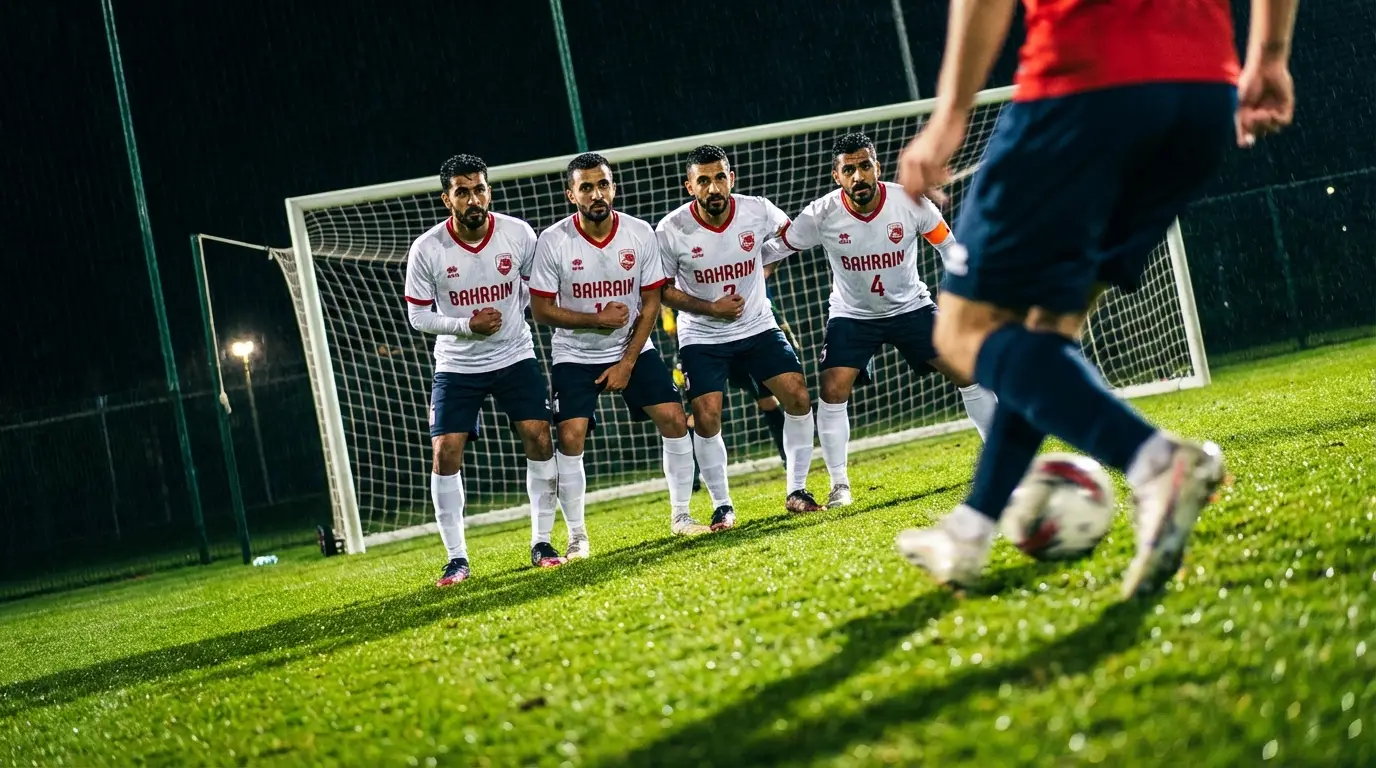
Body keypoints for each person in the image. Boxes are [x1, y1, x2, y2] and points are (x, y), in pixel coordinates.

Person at [894, 0, 1298, 597]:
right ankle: (971, 529)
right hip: (1202, 94)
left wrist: (950, 115)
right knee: (1046, 332)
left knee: (962, 334)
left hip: (1085, 87)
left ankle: (1156, 462)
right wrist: (1269, 55)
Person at [763, 133, 996, 508]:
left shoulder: (909, 202)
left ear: (877, 167)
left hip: (911, 308)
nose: (859, 176)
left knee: (968, 371)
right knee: (832, 389)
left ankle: (998, 462)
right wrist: (746, 275)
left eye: (865, 166)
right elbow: (777, 248)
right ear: (837, 176)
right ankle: (840, 485)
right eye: (849, 170)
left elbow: (949, 248)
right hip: (852, 315)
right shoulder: (820, 214)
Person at [529, 152, 709, 548]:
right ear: (571, 195)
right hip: (575, 354)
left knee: (675, 419)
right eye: (586, 187)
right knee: (571, 436)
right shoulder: (553, 241)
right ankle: (577, 536)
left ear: (614, 187)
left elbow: (651, 302)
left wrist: (627, 361)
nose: (597, 194)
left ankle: (681, 514)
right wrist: (597, 319)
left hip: (632, 348)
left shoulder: (639, 232)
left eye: (603, 184)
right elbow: (541, 310)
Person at [403, 154, 561, 586]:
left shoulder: (518, 233)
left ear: (488, 191)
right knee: (445, 451)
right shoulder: (428, 249)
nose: (473, 199)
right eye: (462, 192)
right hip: (457, 365)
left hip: (514, 356)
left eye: (479, 189)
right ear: (446, 199)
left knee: (540, 436)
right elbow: (418, 317)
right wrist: (465, 327)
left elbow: (539, 290)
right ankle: (456, 558)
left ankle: (543, 542)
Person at [657, 144, 825, 527]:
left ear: (731, 178)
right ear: (690, 186)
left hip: (756, 327)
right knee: (706, 416)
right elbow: (663, 289)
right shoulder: (671, 229)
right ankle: (722, 505)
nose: (713, 187)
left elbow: (790, 238)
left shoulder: (757, 209)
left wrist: (763, 269)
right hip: (702, 336)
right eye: (703, 180)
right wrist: (710, 308)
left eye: (719, 177)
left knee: (797, 396)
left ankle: (797, 489)